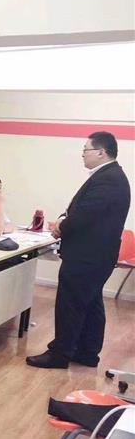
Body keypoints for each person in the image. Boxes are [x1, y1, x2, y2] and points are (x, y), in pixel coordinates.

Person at [27, 131, 131, 369]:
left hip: (87, 256)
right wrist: (64, 219)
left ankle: (60, 354)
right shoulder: (110, 176)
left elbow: (84, 216)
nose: (82, 154)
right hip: (96, 256)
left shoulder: (108, 179)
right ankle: (87, 352)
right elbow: (82, 210)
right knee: (91, 303)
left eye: (86, 150)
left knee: (70, 304)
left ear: (101, 152)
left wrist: (61, 226)